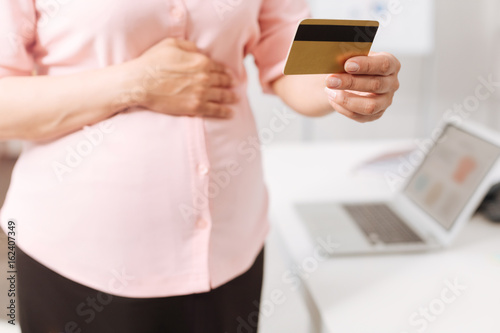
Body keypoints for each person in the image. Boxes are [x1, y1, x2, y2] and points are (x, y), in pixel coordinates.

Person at [0, 0, 400, 332]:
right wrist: (134, 82)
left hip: (228, 251)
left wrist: (344, 83)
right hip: (79, 260)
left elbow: (286, 53)